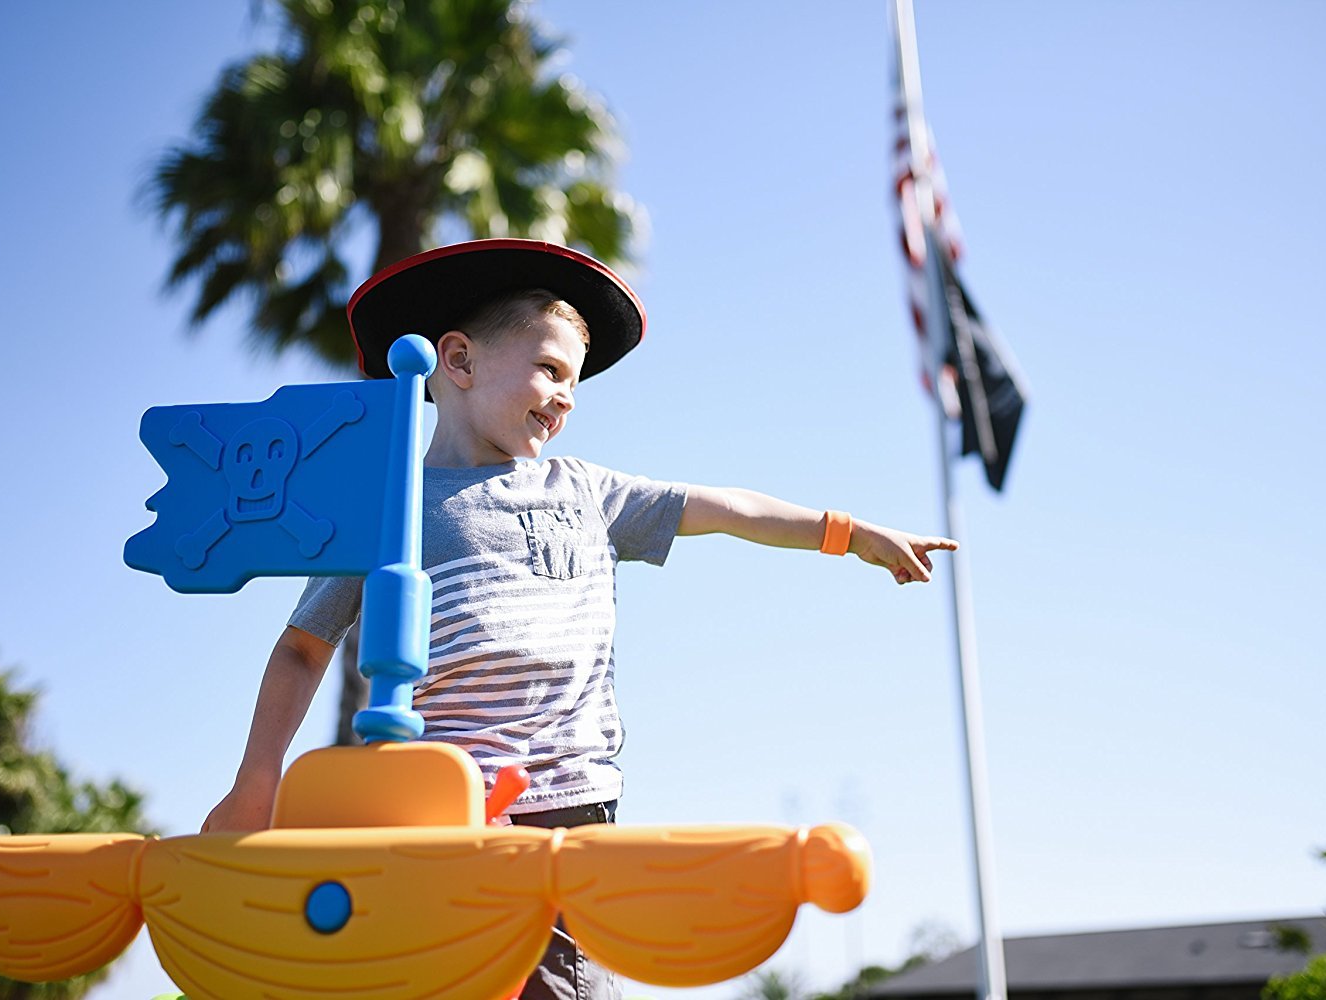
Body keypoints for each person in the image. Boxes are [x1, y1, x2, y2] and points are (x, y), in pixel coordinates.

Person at [201, 239, 956, 999]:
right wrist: (255, 783)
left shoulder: (587, 492)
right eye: (550, 369)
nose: (567, 397)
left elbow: (726, 508)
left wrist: (845, 532)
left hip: (567, 808)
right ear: (457, 361)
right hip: (434, 816)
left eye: (576, 381)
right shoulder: (386, 508)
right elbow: (302, 649)